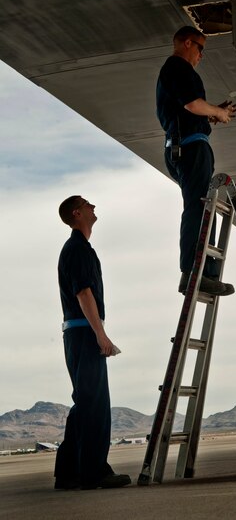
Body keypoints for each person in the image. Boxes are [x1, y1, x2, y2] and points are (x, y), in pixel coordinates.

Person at [54, 195, 131, 490]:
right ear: (77, 213)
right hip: (84, 333)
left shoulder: (76, 248)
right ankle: (94, 472)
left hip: (77, 334)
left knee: (84, 402)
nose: (94, 207)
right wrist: (100, 334)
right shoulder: (78, 249)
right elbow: (83, 293)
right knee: (95, 405)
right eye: (88, 204)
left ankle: (70, 472)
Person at [156, 25, 236, 296]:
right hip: (190, 148)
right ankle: (193, 272)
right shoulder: (178, 67)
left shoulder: (176, 72)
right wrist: (216, 112)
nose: (201, 55)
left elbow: (189, 110)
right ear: (188, 43)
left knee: (203, 207)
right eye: (201, 48)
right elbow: (192, 104)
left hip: (186, 146)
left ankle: (203, 272)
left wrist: (212, 114)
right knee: (198, 207)